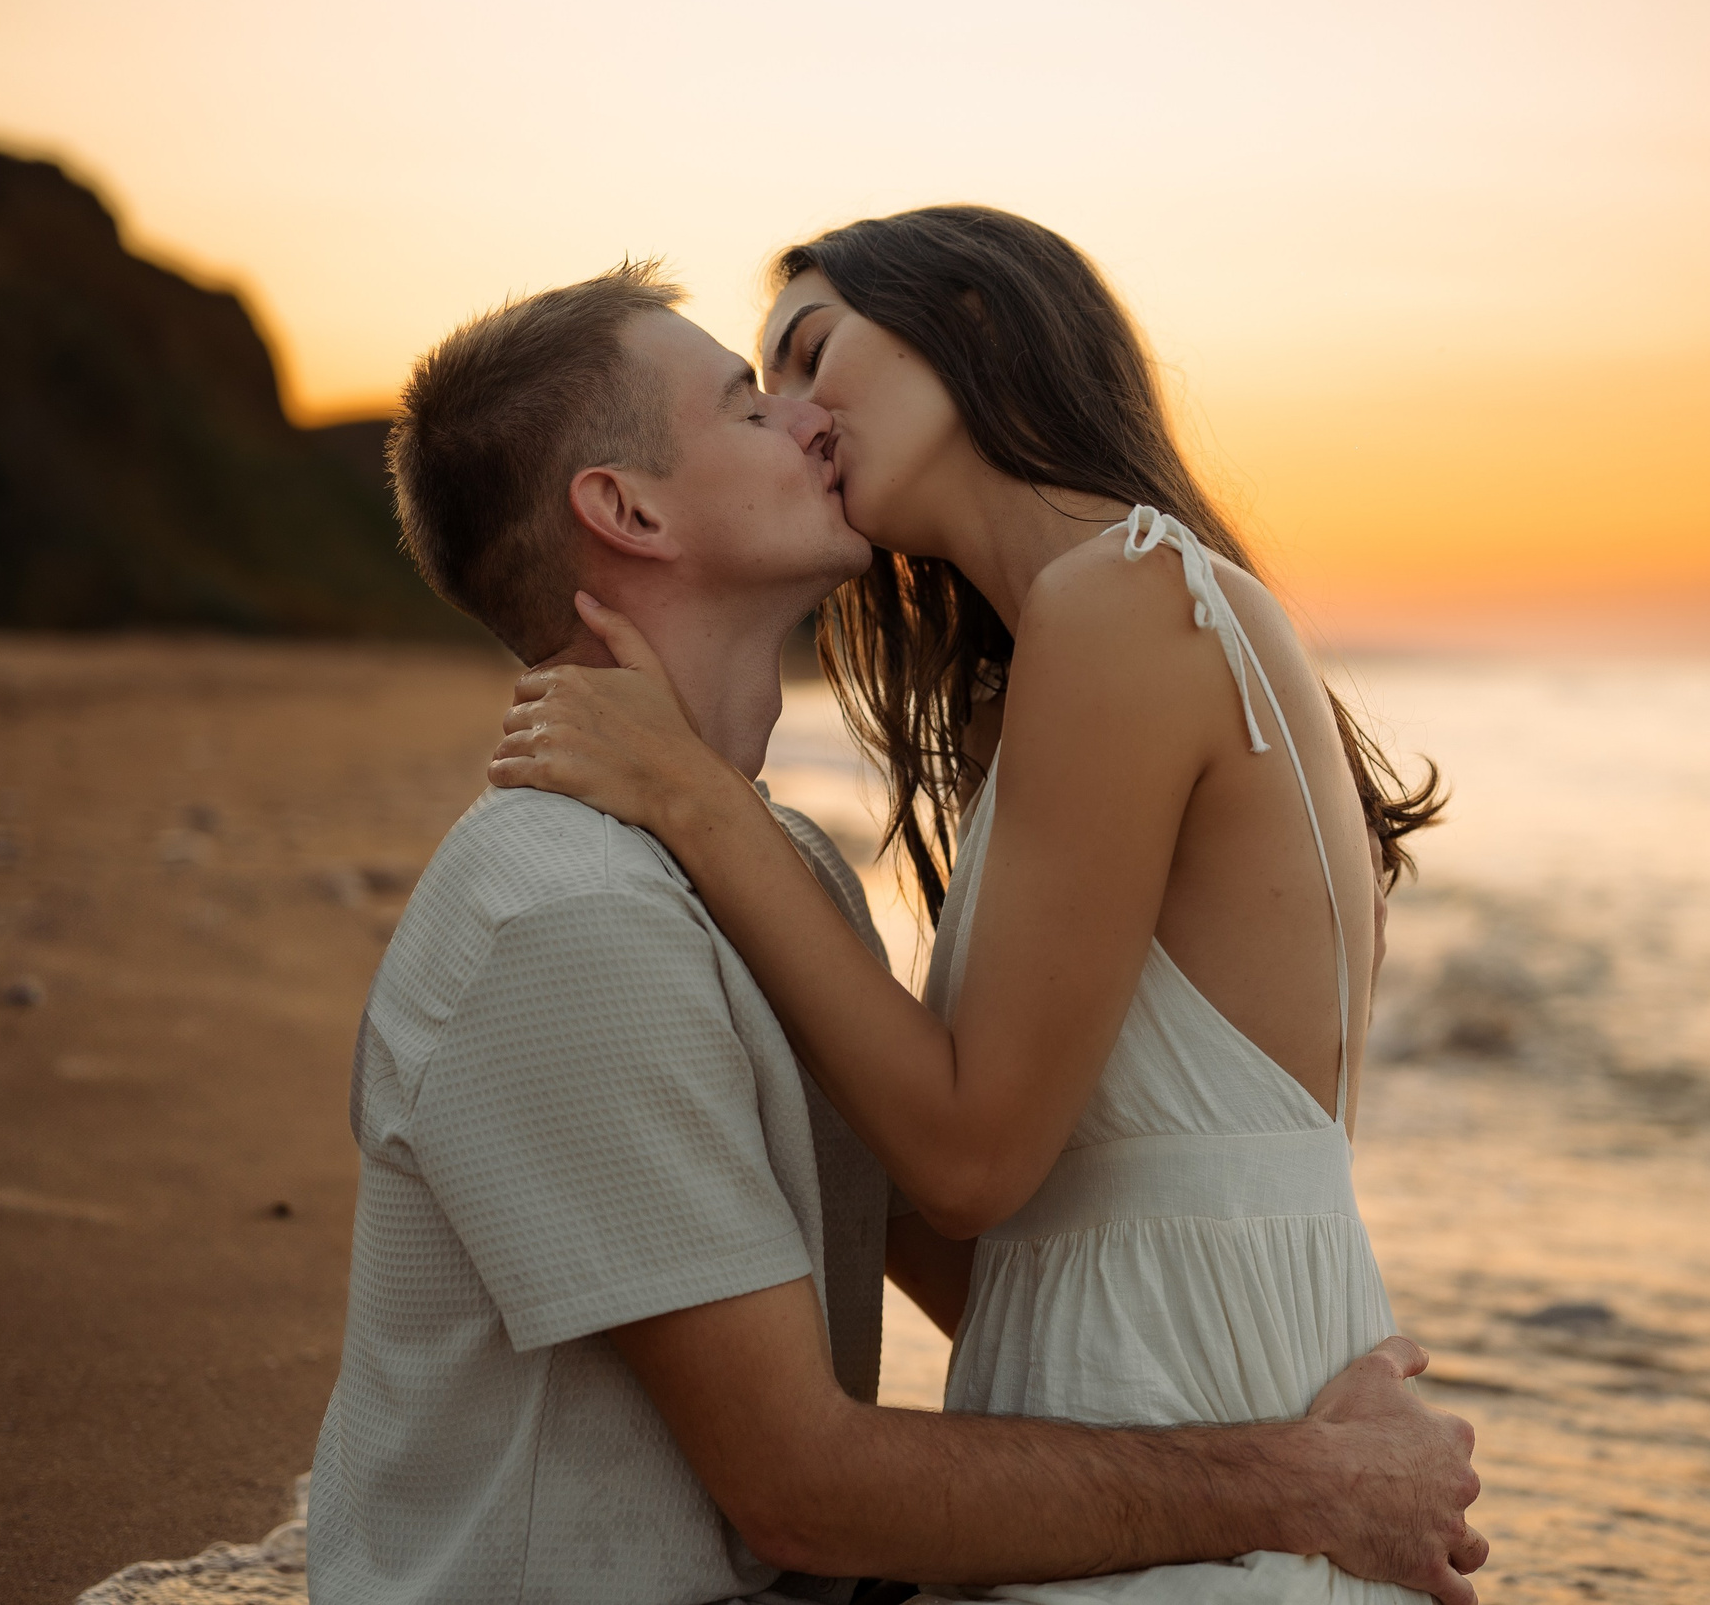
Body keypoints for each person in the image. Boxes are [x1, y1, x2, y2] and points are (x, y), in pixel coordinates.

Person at [306, 260, 1484, 1605]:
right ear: (625, 508)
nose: (806, 421)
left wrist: (1321, 1417)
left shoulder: (771, 872)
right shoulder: (571, 913)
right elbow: (807, 1492)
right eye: (754, 405)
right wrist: (1299, 1484)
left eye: (809, 369)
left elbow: (1025, 1272)